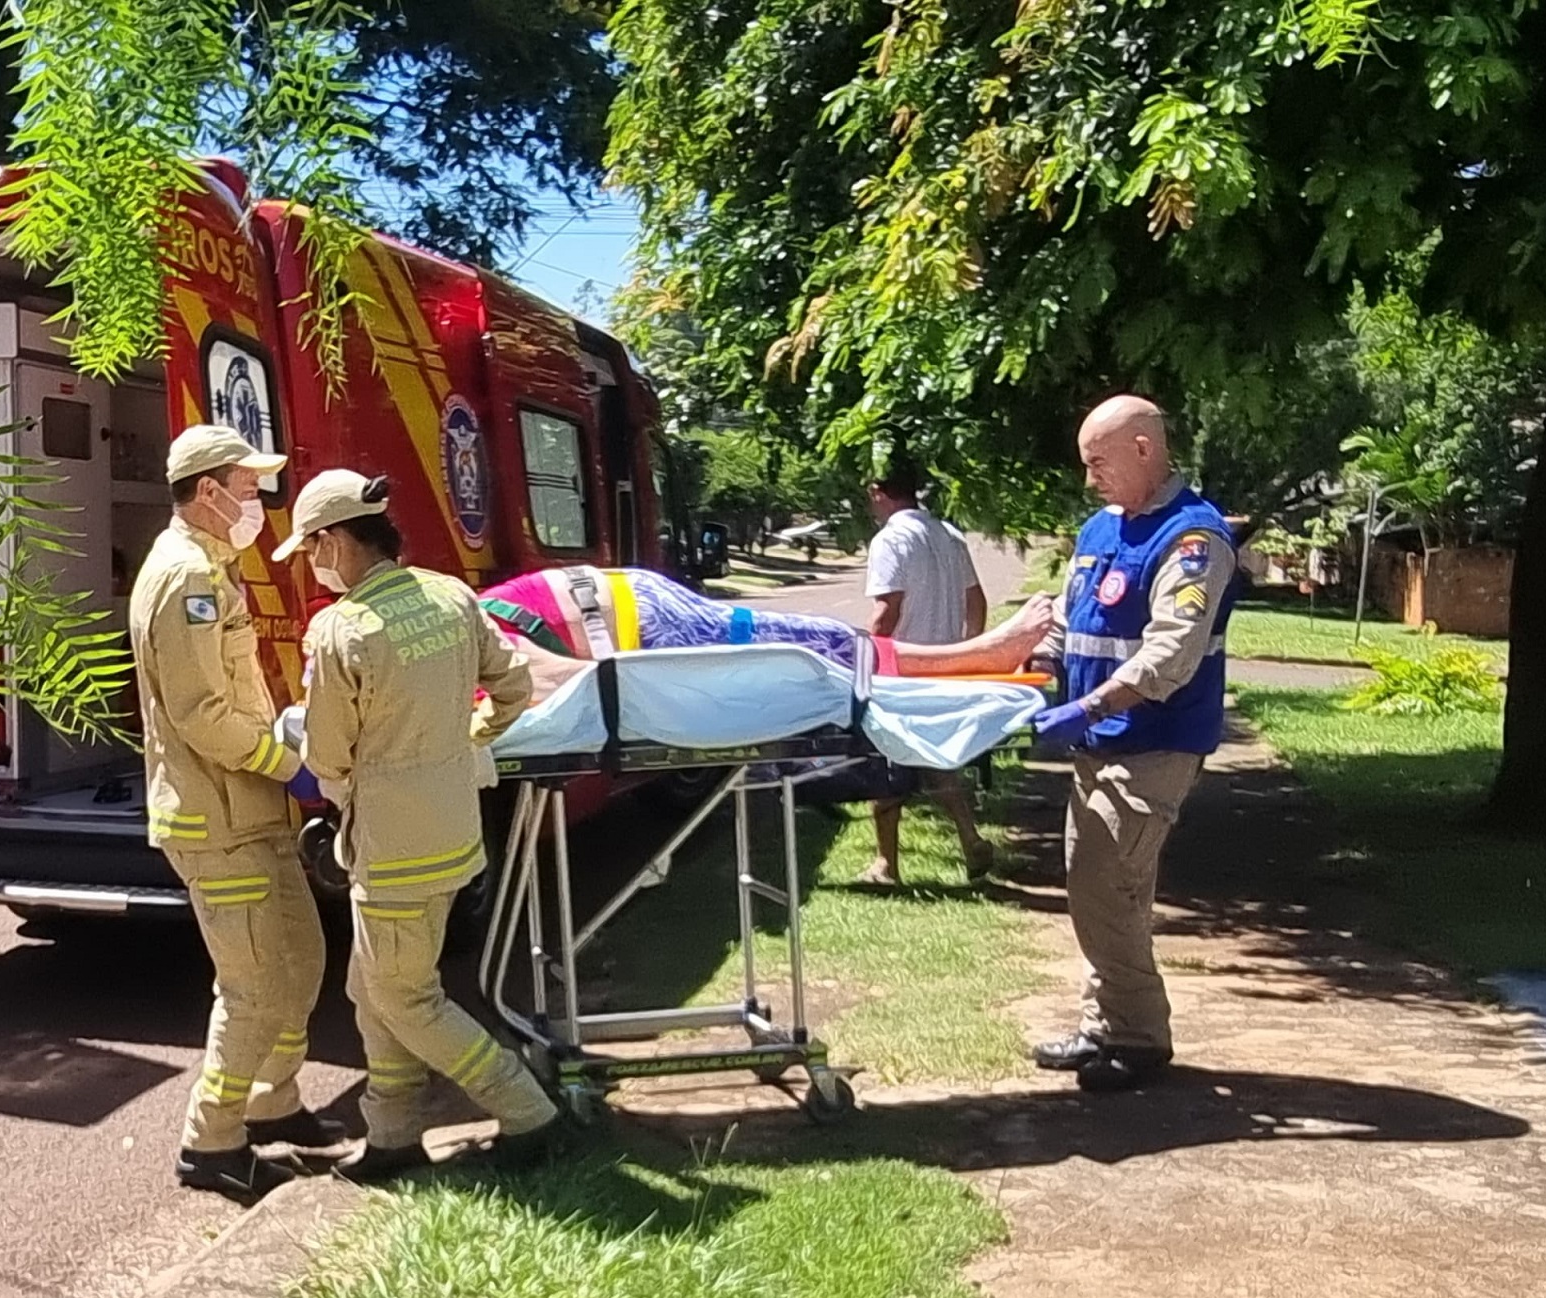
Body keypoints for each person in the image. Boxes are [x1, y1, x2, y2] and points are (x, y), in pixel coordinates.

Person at [276, 469, 562, 1179]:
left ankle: (525, 1108)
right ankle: (393, 1133)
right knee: (373, 988)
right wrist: (466, 734)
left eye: (312, 548)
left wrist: (345, 771)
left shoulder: (340, 630)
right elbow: (513, 686)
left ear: (337, 540)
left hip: (392, 845)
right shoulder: (451, 597)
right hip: (455, 833)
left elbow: (328, 749)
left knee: (405, 995)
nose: (313, 562)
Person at [129, 425, 338, 1200]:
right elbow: (199, 714)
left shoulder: (214, 565)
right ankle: (210, 1143)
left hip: (252, 809)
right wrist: (293, 767)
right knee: (252, 988)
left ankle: (274, 1105)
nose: (258, 501)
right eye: (248, 488)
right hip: (214, 821)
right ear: (208, 490)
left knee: (302, 962)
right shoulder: (185, 577)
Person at [1026, 395, 1239, 1093]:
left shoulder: (1191, 539)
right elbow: (1070, 619)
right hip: (1097, 741)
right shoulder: (1099, 530)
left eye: (1098, 462)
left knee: (1102, 886)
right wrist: (1037, 669)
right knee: (1103, 890)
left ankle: (1138, 1039)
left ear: (1143, 448)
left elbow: (1171, 654)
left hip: (1150, 744)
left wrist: (1087, 706)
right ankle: (1105, 1027)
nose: (1089, 479)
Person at [475, 563, 1052, 706]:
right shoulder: (440, 633)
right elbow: (543, 676)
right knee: (813, 641)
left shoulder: (447, 644)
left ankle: (979, 652)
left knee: (814, 645)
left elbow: (541, 678)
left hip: (638, 621)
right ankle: (976, 653)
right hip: (634, 615)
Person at [861, 464, 993, 885]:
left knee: (884, 762)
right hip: (943, 669)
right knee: (938, 760)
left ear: (879, 492)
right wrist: (966, 653)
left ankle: (886, 864)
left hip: (900, 669)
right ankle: (970, 839)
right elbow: (977, 602)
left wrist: (862, 659)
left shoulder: (891, 540)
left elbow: (887, 612)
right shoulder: (949, 535)